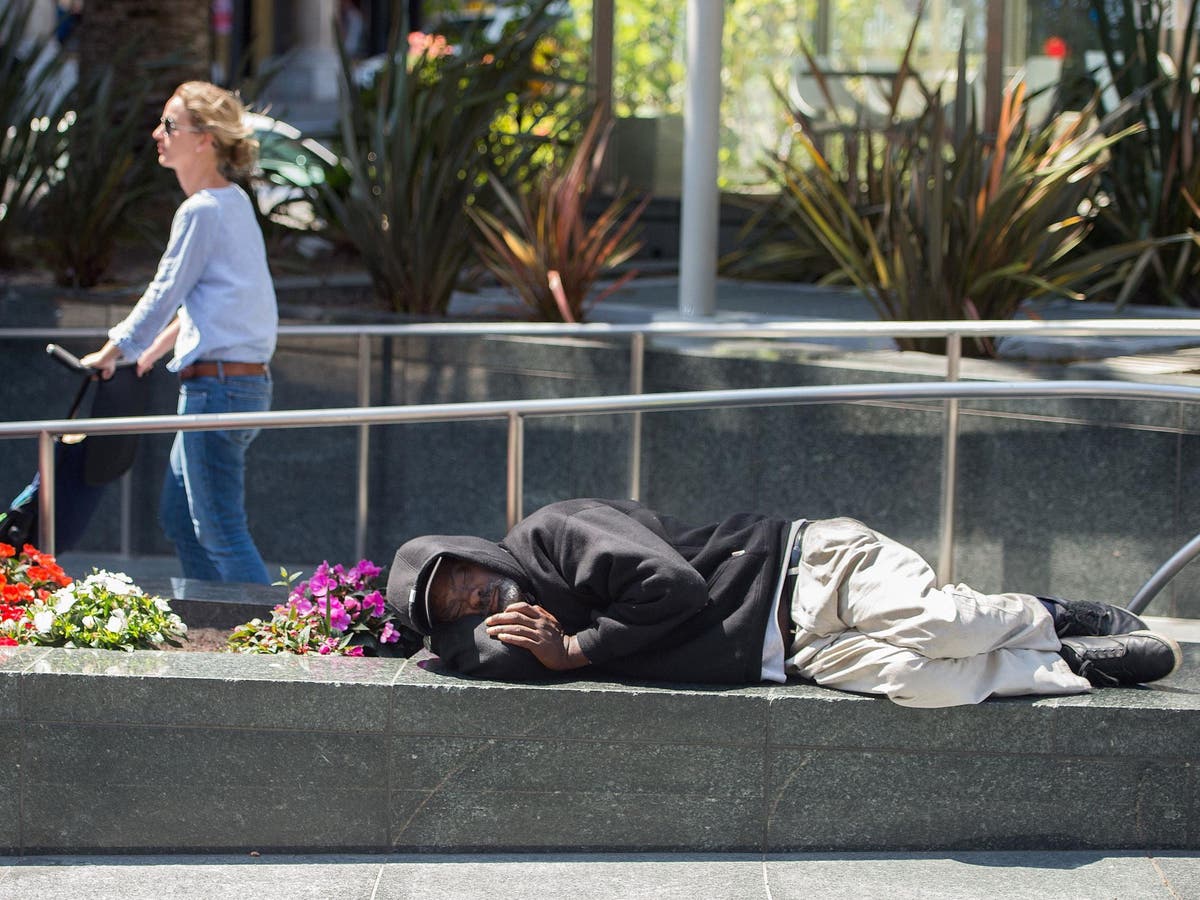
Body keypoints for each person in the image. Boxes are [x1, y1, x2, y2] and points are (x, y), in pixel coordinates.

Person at [386, 498, 1183, 708]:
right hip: (789, 655)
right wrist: (457, 645)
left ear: (476, 549)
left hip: (808, 567)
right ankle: (1074, 667)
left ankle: (1055, 614)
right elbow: (459, 659)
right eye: (456, 603)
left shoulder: (553, 532)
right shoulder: (516, 630)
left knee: (942, 623)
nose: (475, 594)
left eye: (462, 573)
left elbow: (676, 587)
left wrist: (577, 651)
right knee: (927, 683)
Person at [81, 81, 277, 584]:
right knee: (181, 520)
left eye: (169, 125)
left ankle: (279, 650)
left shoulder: (203, 209)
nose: (157, 134)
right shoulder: (232, 202)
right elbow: (217, 299)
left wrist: (114, 349)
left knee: (221, 532)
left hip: (218, 390)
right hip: (235, 384)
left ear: (205, 138)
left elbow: (164, 290)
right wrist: (152, 351)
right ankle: (213, 622)